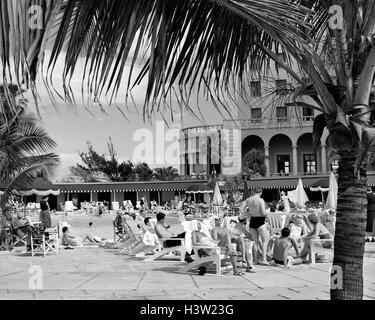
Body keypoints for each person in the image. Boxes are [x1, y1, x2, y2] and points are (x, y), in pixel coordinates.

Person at [239, 187, 270, 265]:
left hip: (252, 220)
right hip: (260, 221)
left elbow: (241, 210)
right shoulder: (260, 200)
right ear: (261, 192)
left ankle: (255, 260)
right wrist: (267, 213)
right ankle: (264, 259)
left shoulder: (248, 200)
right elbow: (263, 212)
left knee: (255, 242)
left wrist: (248, 214)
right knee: (265, 240)